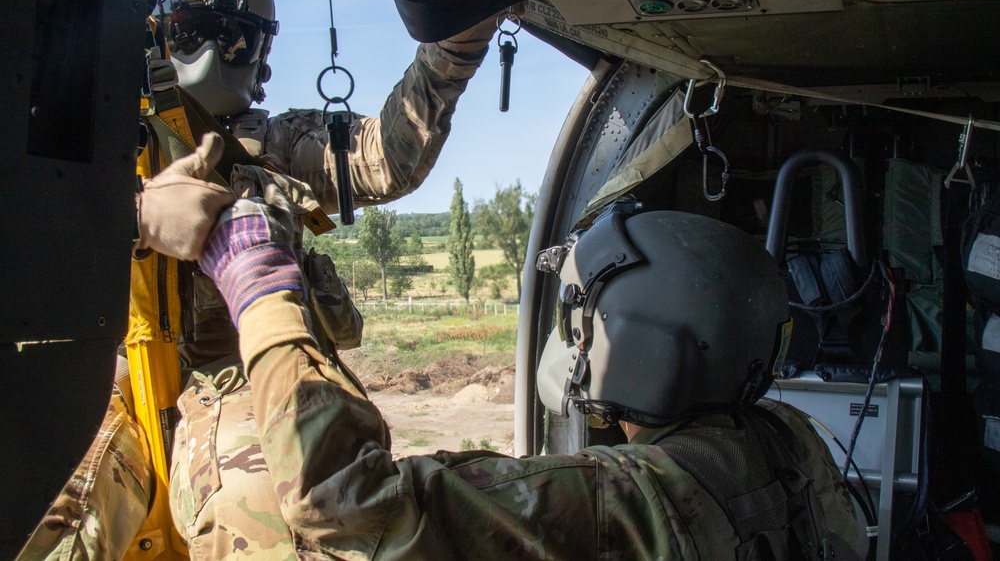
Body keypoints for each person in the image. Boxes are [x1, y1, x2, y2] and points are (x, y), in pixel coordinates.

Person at [132, 148, 865, 560]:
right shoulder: (790, 441)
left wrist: (258, 278)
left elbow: (341, 504)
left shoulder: (624, 500)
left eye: (585, 320)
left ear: (647, 349)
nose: (574, 339)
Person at [17, 0, 495, 560]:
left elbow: (385, 158)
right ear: (154, 31)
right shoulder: (87, 136)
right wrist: (132, 214)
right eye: (193, 30)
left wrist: (457, 39)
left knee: (292, 518)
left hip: (246, 388)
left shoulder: (272, 142)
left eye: (238, 38)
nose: (218, 53)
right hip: (113, 393)